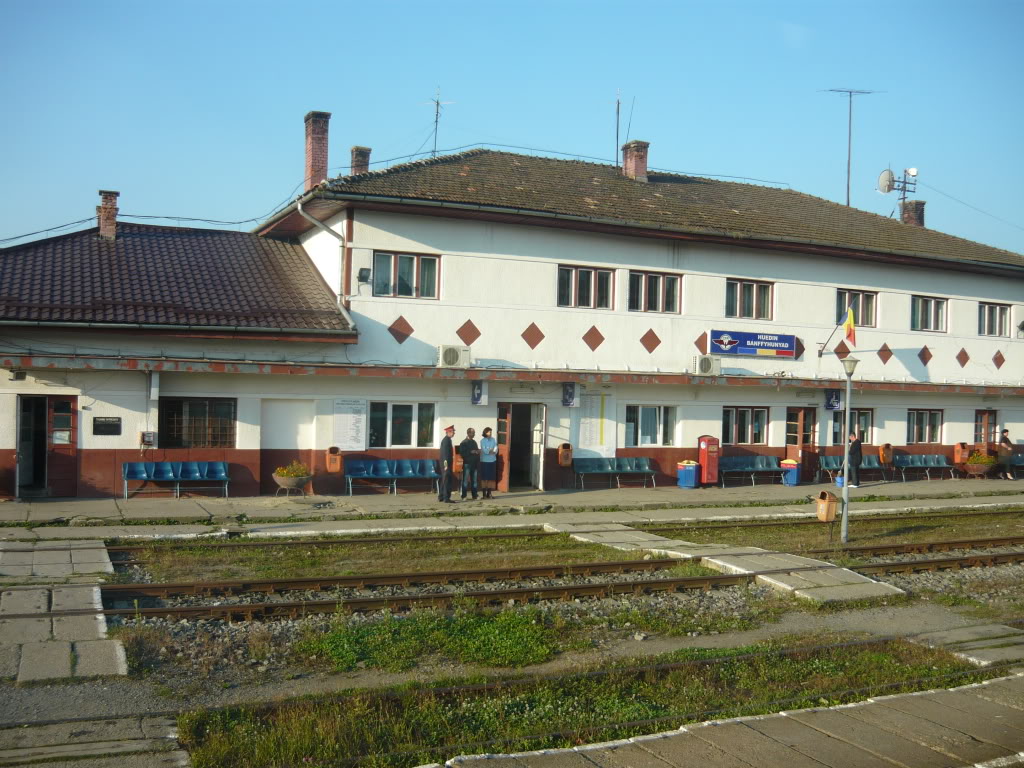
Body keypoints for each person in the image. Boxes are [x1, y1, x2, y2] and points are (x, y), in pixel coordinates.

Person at [459, 427, 481, 499]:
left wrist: (478, 452)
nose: (474, 434)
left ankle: (474, 495)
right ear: (468, 433)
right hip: (467, 464)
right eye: (472, 433)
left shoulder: (474, 442)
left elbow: (476, 451)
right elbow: (462, 454)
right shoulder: (463, 443)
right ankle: (464, 496)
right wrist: (470, 452)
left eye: (474, 433)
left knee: (474, 481)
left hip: (474, 464)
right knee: (465, 481)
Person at [479, 426, 498, 499]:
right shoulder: (482, 441)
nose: (490, 433)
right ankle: (484, 493)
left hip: (492, 460)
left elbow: (496, 448)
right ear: (485, 433)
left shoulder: (493, 440)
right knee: (484, 478)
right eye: (489, 432)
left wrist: (493, 451)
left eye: (491, 432)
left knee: (491, 478)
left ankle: (489, 493)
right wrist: (489, 450)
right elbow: (484, 450)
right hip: (484, 461)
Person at [438, 425, 456, 502]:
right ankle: (446, 497)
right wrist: (446, 466)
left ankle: (441, 496)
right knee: (446, 480)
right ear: (448, 432)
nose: (454, 433)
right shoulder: (446, 441)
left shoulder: (448, 440)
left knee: (444, 480)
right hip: (446, 464)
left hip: (446, 463)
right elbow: (445, 454)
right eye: (453, 432)